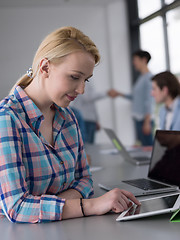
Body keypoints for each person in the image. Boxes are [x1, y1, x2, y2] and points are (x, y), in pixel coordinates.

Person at [0, 26, 140, 223]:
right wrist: (89, 205)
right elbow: (17, 208)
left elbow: (85, 181)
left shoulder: (69, 119)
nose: (81, 90)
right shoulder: (7, 119)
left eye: (86, 80)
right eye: (75, 77)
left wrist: (50, 206)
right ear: (45, 67)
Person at [109, 50, 154, 146]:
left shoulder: (149, 78)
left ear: (144, 60)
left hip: (144, 120)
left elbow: (149, 101)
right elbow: (135, 97)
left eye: (135, 60)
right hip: (139, 119)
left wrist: (147, 122)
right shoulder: (142, 78)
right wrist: (119, 94)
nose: (133, 62)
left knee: (148, 149)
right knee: (144, 148)